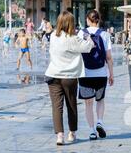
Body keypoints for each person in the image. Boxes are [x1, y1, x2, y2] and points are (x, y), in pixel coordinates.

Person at [45, 11, 94, 145]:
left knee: (57, 106)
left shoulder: (54, 37)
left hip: (53, 75)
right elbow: (89, 47)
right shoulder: (73, 39)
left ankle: (59, 136)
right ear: (71, 23)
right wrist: (87, 37)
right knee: (71, 105)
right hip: (69, 77)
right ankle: (72, 133)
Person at [77, 10, 114, 141]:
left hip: (85, 73)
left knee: (88, 103)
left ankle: (92, 131)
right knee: (100, 100)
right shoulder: (105, 34)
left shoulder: (81, 33)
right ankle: (99, 122)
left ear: (87, 19)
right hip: (101, 73)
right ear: (98, 20)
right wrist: (111, 74)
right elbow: (109, 57)